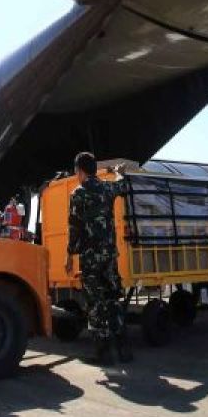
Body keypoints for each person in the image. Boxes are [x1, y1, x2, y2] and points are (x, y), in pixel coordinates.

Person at [65, 152, 131, 365]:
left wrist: (69, 256)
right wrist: (120, 173)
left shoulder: (78, 194)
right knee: (112, 299)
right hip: (110, 255)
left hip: (91, 257)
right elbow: (123, 186)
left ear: (80, 171)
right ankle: (123, 350)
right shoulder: (107, 188)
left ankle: (103, 353)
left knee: (95, 303)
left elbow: (73, 228)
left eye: (76, 171)